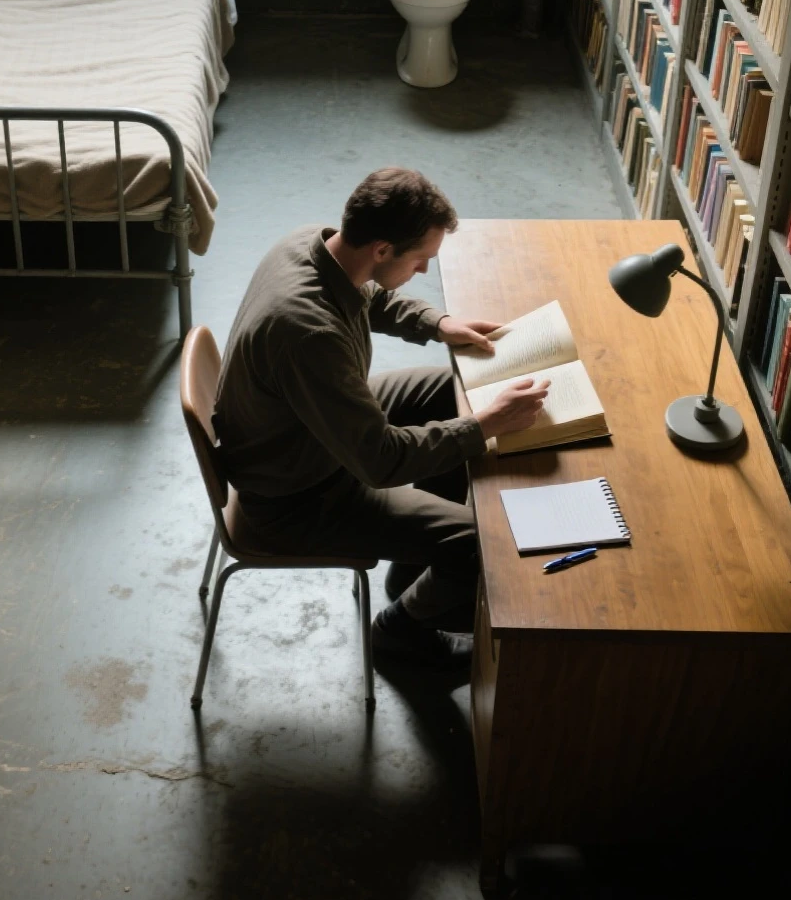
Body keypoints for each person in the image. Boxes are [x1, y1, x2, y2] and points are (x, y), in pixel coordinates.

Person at [212, 166, 549, 677]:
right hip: (299, 494)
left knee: (446, 391)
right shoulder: (309, 334)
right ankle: (399, 633)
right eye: (419, 262)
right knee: (484, 544)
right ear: (383, 249)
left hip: (299, 430)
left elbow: (372, 296)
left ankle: (414, 562)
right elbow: (380, 460)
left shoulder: (312, 243)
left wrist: (439, 323)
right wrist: (487, 425)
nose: (421, 273)